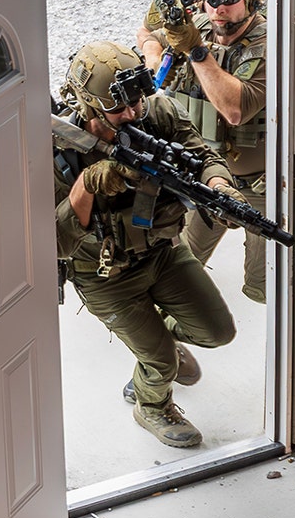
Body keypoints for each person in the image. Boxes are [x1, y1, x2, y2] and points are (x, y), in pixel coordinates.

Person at [53, 41, 247, 448]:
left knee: (218, 332)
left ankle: (160, 339)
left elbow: (202, 155)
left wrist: (220, 187)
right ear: (88, 106)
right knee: (159, 360)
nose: (132, 114)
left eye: (137, 101)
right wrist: (86, 186)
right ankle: (153, 406)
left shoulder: (156, 114)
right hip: (107, 276)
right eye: (118, 109)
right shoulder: (58, 152)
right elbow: (54, 242)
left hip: (163, 251)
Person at [151, 0, 270, 303]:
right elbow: (148, 35)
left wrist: (196, 51)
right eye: (208, 0)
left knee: (264, 287)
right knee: (178, 271)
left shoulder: (271, 44)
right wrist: (161, 60)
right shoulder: (200, 27)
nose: (217, 9)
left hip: (259, 189)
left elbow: (235, 109)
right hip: (206, 178)